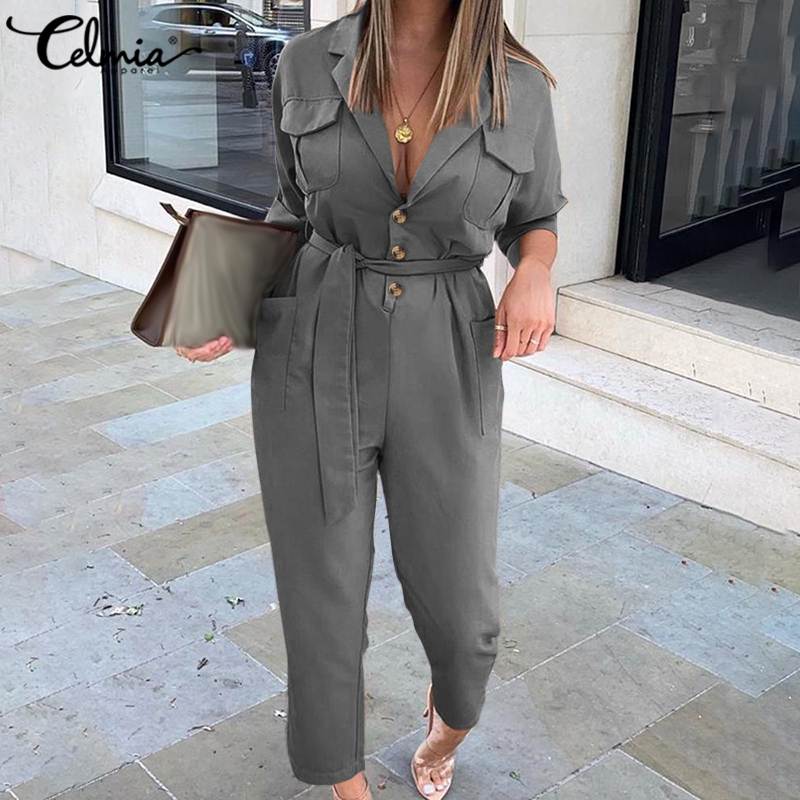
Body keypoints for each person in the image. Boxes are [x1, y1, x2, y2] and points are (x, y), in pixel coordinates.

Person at [175, 0, 568, 797]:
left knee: (466, 615)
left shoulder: (518, 86)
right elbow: (290, 207)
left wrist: (535, 270)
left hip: (447, 346)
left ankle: (448, 722)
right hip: (313, 339)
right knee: (320, 589)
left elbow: (537, 214)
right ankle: (342, 779)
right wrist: (221, 296)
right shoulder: (305, 60)